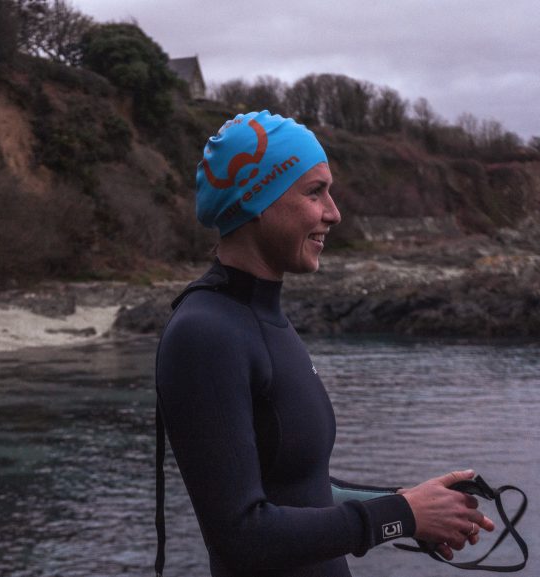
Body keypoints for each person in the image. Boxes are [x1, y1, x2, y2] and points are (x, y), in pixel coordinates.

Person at [154, 110, 494, 577]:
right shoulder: (206, 333)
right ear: (256, 199)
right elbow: (240, 537)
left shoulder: (263, 319)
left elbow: (302, 489)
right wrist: (400, 515)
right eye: (315, 192)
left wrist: (411, 506)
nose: (333, 213)